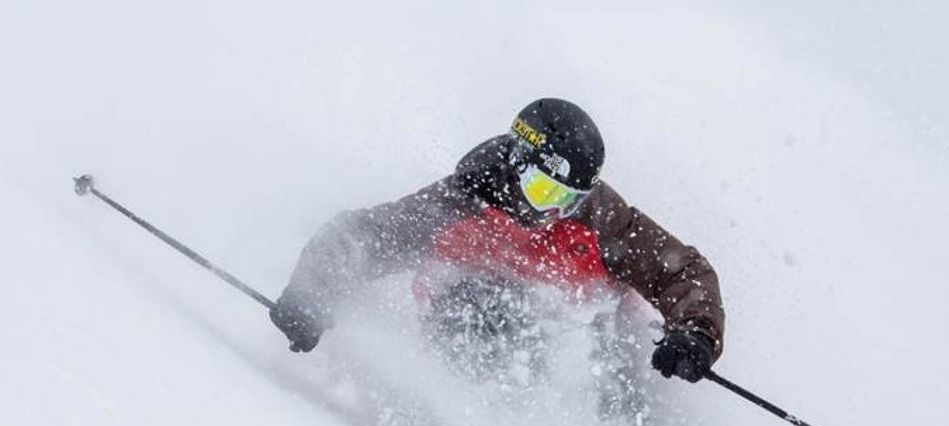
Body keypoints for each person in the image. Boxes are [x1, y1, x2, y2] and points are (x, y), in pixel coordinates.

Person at [269, 98, 724, 383]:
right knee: (487, 306)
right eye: (547, 193)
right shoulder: (459, 203)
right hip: (479, 330)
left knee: (616, 354)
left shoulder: (601, 219)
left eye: (569, 200)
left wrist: (695, 334)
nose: (553, 212)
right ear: (519, 166)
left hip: (592, 348)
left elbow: (683, 271)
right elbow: (360, 237)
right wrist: (311, 295)